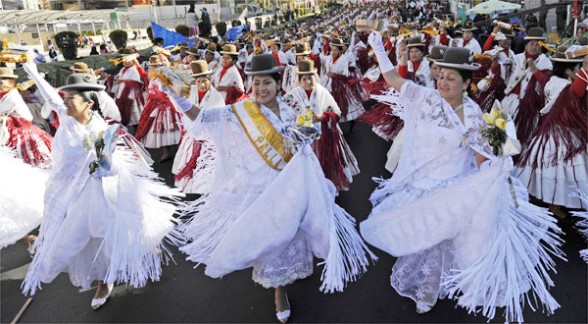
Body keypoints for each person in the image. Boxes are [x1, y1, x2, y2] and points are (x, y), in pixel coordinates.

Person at [360, 31, 563, 322]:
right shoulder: (427, 98)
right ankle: (426, 285)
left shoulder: (476, 116)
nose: (442, 82)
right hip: (419, 185)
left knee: (439, 243)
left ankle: (428, 290)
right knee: (420, 239)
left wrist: (497, 172)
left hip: (451, 191)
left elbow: (482, 159)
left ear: (466, 83)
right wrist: (378, 47)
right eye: (441, 75)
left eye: (450, 78)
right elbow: (392, 79)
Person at [161, 54, 374, 323]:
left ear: (277, 83)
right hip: (261, 189)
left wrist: (307, 134)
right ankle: (279, 290)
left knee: (292, 234)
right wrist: (176, 96)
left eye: (266, 83)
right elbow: (204, 118)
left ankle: (285, 279)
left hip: (291, 187)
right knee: (273, 239)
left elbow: (309, 134)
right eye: (256, 83)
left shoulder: (292, 108)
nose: (261, 89)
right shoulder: (242, 111)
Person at [21, 62, 182, 310]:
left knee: (103, 239)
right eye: (66, 96)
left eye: (72, 98)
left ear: (89, 104)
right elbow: (50, 96)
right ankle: (102, 278)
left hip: (99, 192)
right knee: (80, 240)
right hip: (67, 190)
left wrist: (104, 165)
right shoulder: (65, 117)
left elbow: (112, 167)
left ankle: (106, 280)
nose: (65, 101)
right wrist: (30, 67)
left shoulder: (100, 130)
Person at [516, 47, 588, 219]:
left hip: (551, 132)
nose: (578, 72)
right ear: (569, 70)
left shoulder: (551, 81)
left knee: (553, 171)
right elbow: (576, 92)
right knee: (562, 171)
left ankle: (555, 202)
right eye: (577, 68)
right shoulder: (567, 87)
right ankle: (555, 205)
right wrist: (586, 68)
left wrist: (533, 67)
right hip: (564, 135)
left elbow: (539, 77)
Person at [283, 59, 359, 192]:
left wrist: (321, 117)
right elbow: (285, 117)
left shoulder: (322, 92)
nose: (308, 82)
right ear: (300, 80)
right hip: (302, 141)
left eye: (310, 78)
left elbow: (336, 112)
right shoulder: (292, 96)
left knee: (323, 166)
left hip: (324, 137)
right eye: (304, 78)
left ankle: (325, 190)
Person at [172, 60, 225, 193]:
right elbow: (183, 108)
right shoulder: (192, 91)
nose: (202, 84)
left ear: (209, 80)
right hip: (194, 133)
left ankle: (207, 190)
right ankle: (194, 188)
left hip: (209, 136)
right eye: (199, 81)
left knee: (208, 164)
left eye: (204, 81)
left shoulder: (216, 97)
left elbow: (214, 117)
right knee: (189, 159)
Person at [134, 55, 182, 163]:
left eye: (156, 66)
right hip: (158, 107)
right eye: (152, 66)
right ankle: (167, 152)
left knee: (176, 130)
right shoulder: (153, 78)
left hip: (170, 106)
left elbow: (173, 90)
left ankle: (181, 153)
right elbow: (150, 90)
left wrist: (162, 97)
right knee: (161, 131)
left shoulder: (166, 76)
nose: (153, 68)